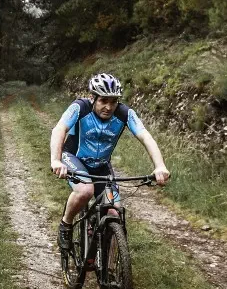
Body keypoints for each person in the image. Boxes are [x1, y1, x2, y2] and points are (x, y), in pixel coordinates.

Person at [50, 72, 170, 252]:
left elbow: (145, 136)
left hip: (101, 166)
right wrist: (56, 160)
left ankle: (110, 267)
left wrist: (160, 166)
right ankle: (65, 225)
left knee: (115, 212)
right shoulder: (80, 108)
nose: (108, 106)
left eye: (113, 102)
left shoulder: (124, 113)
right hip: (73, 159)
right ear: (93, 98)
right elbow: (59, 129)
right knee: (85, 190)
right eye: (103, 101)